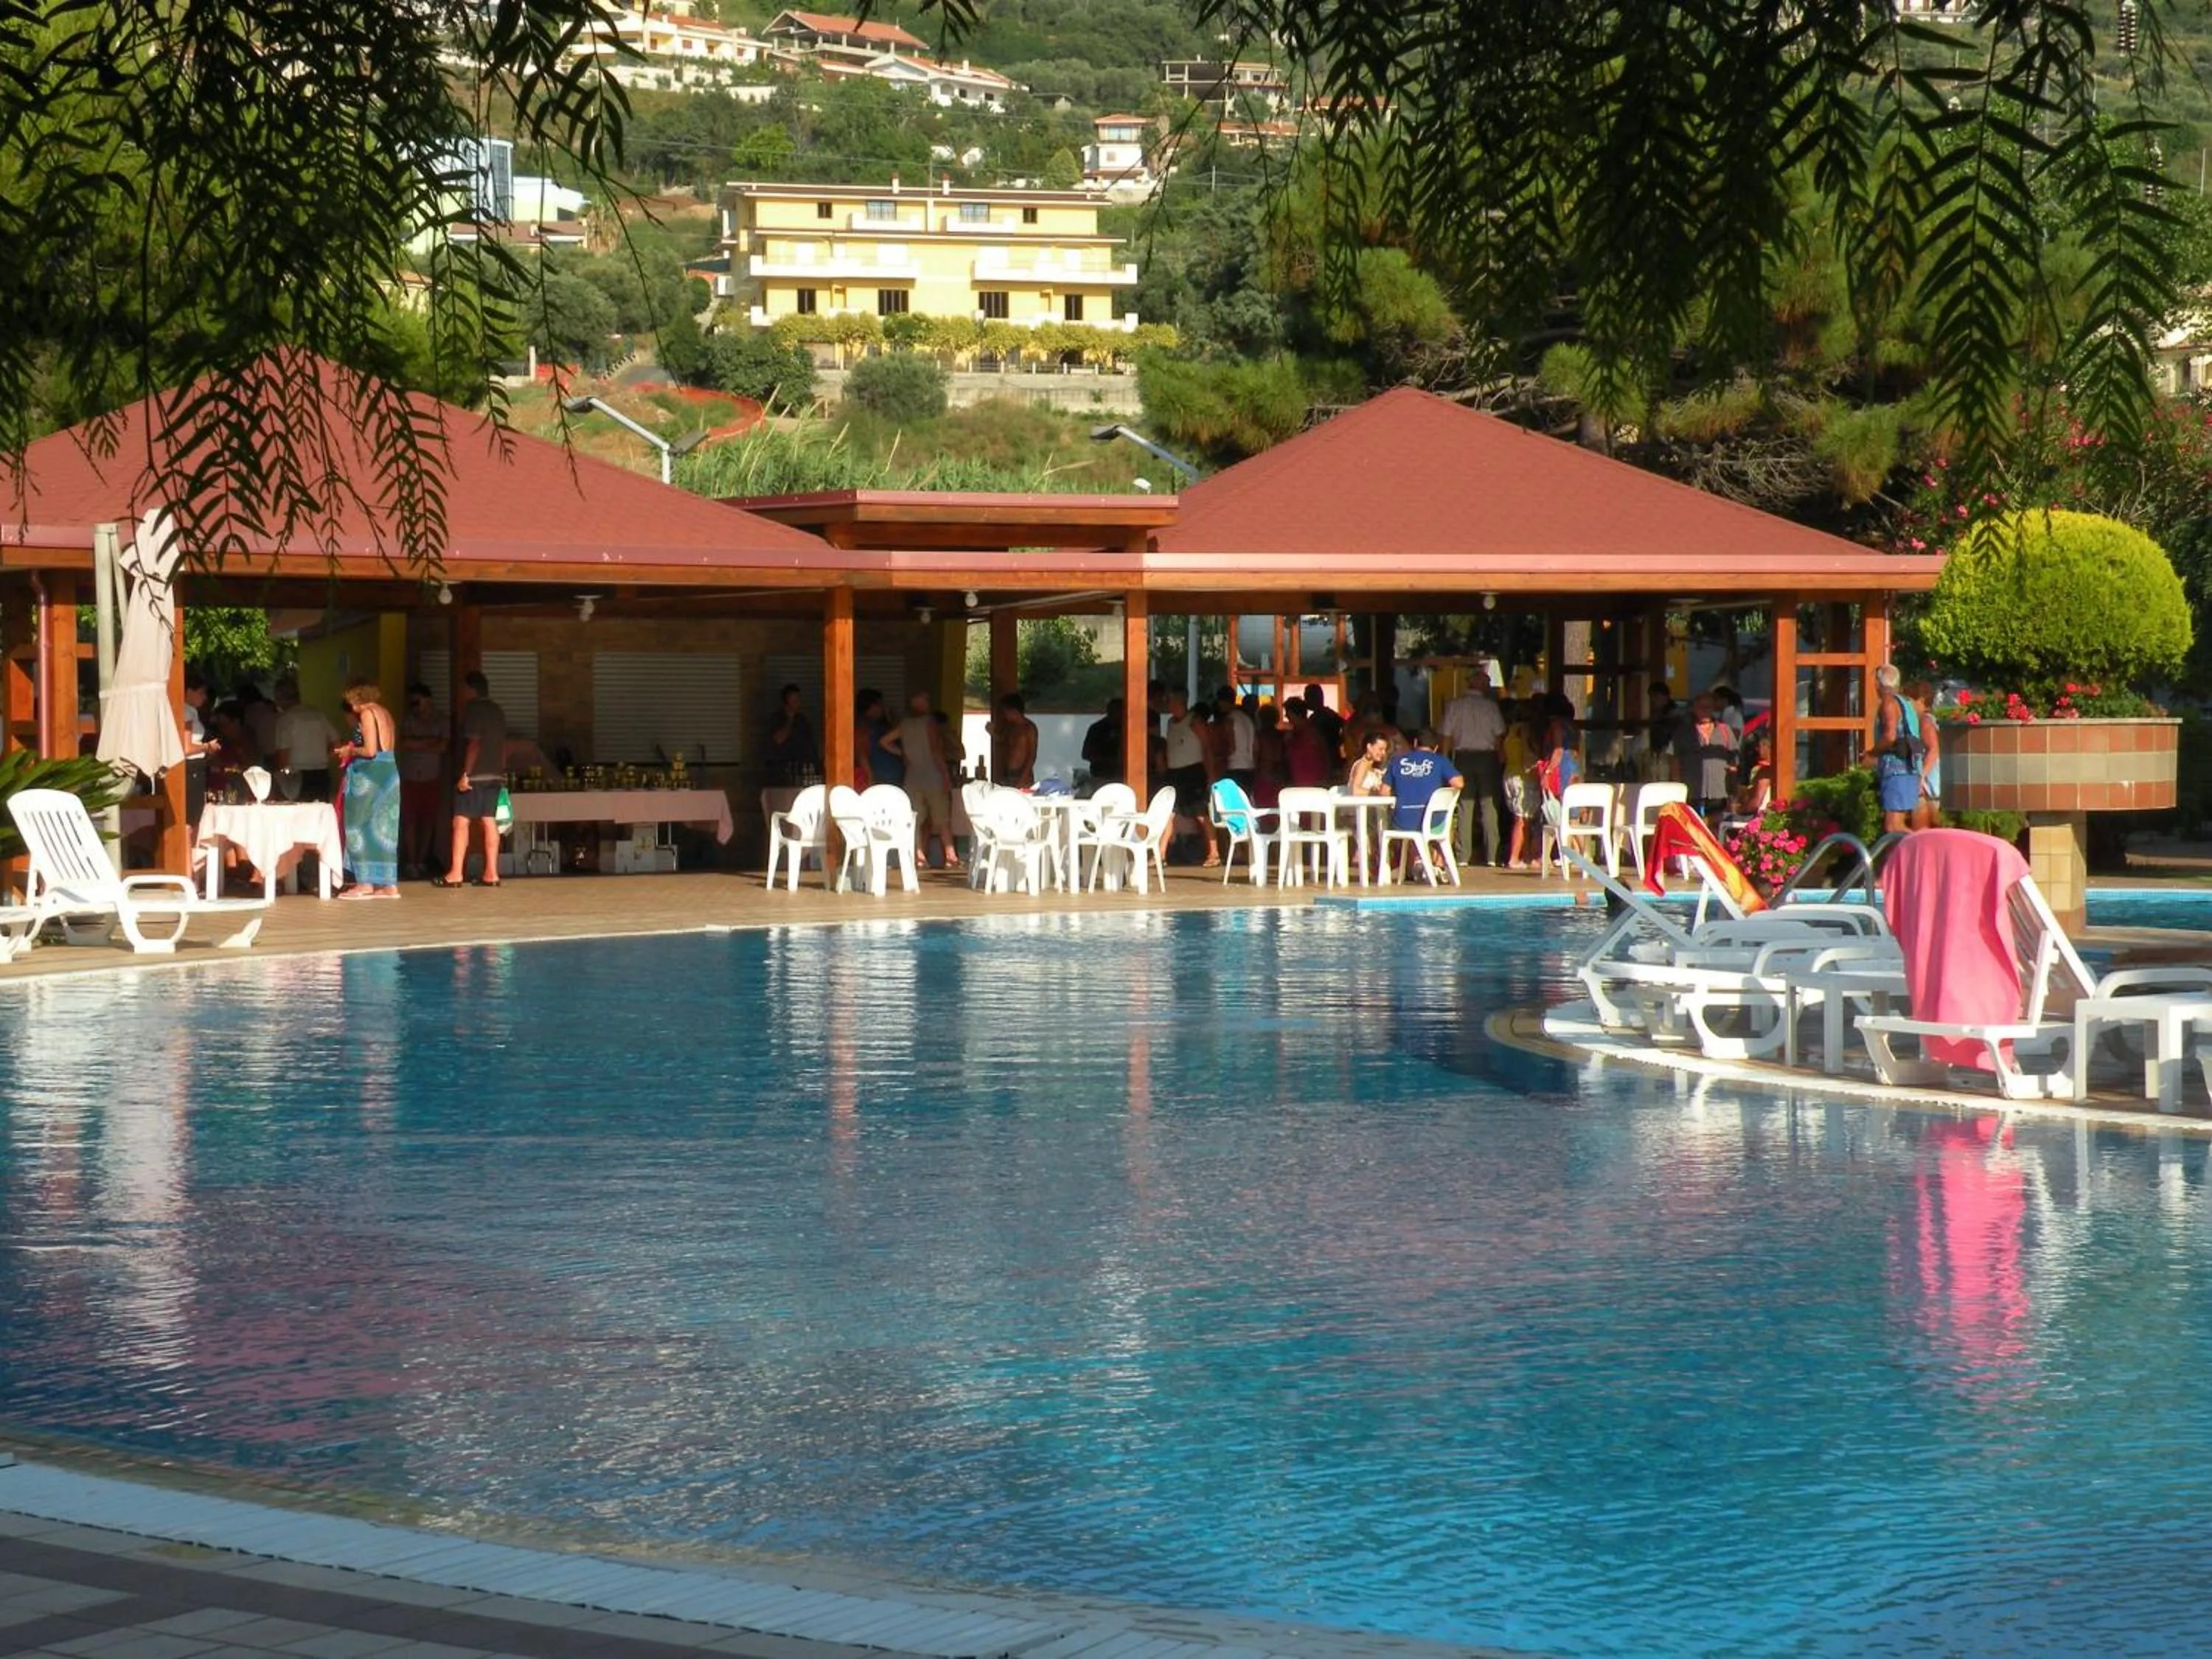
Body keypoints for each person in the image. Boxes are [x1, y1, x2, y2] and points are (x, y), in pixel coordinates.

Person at [438, 669, 507, 888]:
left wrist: (466, 774)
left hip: (475, 775)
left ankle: (456, 873)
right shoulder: (497, 710)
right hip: (495, 774)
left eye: (462, 689)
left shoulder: (474, 710)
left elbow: (474, 743)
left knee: (461, 820)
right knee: (489, 821)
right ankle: (492, 873)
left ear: (471, 690)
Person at [333, 679, 400, 899]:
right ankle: (388, 884)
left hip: (371, 775)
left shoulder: (367, 714)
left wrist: (349, 751)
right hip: (389, 771)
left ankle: (364, 883)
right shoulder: (385, 713)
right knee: (385, 828)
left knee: (358, 826)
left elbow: (371, 750)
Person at [883, 690, 958, 869]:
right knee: (942, 818)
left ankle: (918, 855)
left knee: (915, 818)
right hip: (932, 775)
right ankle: (950, 855)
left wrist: (903, 754)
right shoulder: (929, 722)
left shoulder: (904, 725)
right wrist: (945, 775)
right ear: (919, 704)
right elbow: (935, 750)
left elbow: (884, 742)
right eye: (925, 700)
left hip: (912, 776)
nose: (927, 703)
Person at [1438, 674, 1506, 867]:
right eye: (1486, 683)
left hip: (1462, 757)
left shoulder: (1454, 706)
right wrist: (1501, 756)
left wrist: (1444, 762)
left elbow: (1446, 736)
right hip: (1487, 757)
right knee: (1489, 806)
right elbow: (1499, 736)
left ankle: (1462, 856)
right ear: (1480, 685)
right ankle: (1492, 855)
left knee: (1464, 807)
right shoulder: (1490, 707)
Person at [1385, 731, 1463, 879]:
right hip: (1433, 822)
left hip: (1403, 822)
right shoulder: (1440, 761)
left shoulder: (1397, 761)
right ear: (1436, 748)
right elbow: (1458, 783)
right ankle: (1439, 864)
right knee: (1448, 825)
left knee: (1407, 825)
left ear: (1415, 743)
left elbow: (1384, 792)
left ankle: (1417, 862)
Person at [1163, 692, 1220, 866]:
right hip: (1174, 773)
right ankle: (1161, 854)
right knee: (1168, 813)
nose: (1168, 704)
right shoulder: (1170, 723)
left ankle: (1214, 852)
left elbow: (1207, 748)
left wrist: (1211, 776)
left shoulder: (1195, 721)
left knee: (1201, 813)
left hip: (1193, 772)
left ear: (1181, 702)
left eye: (1171, 701)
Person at [397, 682, 445, 880]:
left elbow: (442, 746)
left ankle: (422, 860)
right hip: (409, 777)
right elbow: (404, 743)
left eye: (418, 702)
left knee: (428, 820)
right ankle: (411, 861)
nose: (415, 706)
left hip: (431, 776)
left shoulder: (440, 720)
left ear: (428, 700)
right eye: (412, 703)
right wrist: (428, 742)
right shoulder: (407, 720)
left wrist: (418, 743)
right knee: (409, 820)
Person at [1872, 663, 1924, 836]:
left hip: (1896, 770)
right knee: (1897, 825)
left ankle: (1926, 850)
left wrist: (1872, 753)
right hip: (1910, 769)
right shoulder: (1907, 703)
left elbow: (1890, 736)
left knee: (1893, 827)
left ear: (1878, 684)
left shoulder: (1888, 702)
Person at [271, 676, 338, 803]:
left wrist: (280, 777)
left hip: (297, 776)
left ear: (280, 698)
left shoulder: (286, 719)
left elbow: (283, 757)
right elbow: (337, 743)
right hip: (322, 774)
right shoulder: (318, 714)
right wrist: (323, 758)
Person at [1675, 694, 1739, 823]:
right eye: (1701, 707)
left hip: (1719, 792)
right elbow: (1675, 760)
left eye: (1708, 707)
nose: (1704, 710)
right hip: (1691, 792)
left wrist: (1734, 791)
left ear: (1713, 709)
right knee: (1693, 827)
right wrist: (1677, 786)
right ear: (1694, 709)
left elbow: (1733, 761)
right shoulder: (1683, 731)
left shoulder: (1725, 730)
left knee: (1716, 828)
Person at [1500, 699, 1540, 870]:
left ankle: (1526, 855)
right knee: (1523, 819)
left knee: (1521, 818)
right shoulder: (1525, 731)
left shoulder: (1510, 731)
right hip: (1522, 777)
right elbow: (1527, 755)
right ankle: (1515, 857)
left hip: (1509, 773)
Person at [1905, 676, 1942, 831]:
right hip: (1930, 786)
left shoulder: (1924, 720)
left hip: (1928, 787)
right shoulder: (1925, 720)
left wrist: (1921, 776)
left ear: (1921, 700)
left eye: (1909, 701)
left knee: (1923, 831)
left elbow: (1933, 749)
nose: (1906, 705)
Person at [763, 684, 818, 785]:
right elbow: (778, 739)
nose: (797, 703)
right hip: (779, 770)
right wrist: (790, 720)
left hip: (799, 768)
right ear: (786, 702)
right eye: (794, 700)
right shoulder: (776, 719)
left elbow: (810, 743)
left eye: (798, 699)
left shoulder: (802, 721)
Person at [1214, 686, 1257, 793]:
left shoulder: (1229, 720)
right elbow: (1256, 746)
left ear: (1222, 702)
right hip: (1249, 767)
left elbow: (1231, 747)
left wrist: (1218, 757)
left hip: (1235, 768)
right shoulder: (1247, 719)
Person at [859, 689, 902, 791]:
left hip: (893, 778)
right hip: (880, 779)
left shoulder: (881, 724)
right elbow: (861, 753)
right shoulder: (863, 727)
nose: (883, 708)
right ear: (873, 706)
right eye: (881, 704)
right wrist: (870, 777)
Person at [993, 692, 1039, 788]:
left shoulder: (1029, 728)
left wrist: (1022, 778)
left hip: (1023, 775)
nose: (1005, 715)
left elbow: (1032, 755)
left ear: (1013, 711)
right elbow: (1002, 741)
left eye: (1006, 711)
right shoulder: (1010, 727)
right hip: (1007, 774)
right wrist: (992, 733)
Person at [1081, 698, 1124, 785]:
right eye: (1117, 711)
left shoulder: (1129, 728)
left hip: (1124, 776)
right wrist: (1111, 761)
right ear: (1109, 712)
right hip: (1101, 777)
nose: (1120, 715)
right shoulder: (1097, 729)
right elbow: (1086, 754)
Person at [1301, 683, 1345, 762]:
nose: (1305, 701)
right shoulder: (1329, 714)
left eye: (1307, 697)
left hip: (1324, 757)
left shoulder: (1321, 717)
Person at [1347, 729, 1393, 797]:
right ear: (1369, 747)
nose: (1383, 753)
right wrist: (1375, 793)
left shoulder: (1375, 768)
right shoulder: (1362, 764)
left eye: (1385, 750)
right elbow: (1355, 791)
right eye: (1380, 749)